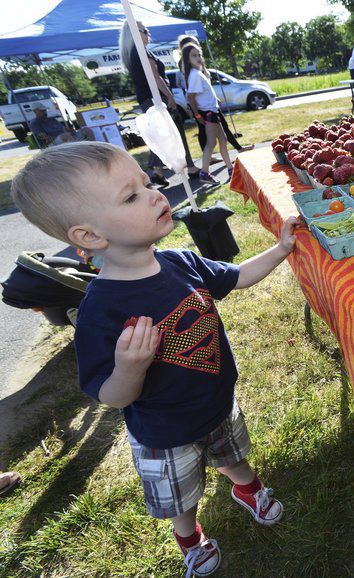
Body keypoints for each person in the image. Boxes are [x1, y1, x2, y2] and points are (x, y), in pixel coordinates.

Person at [10, 141, 302, 577]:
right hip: (164, 432)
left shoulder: (180, 263)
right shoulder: (100, 311)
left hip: (217, 404)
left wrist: (280, 249)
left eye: (147, 183)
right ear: (89, 237)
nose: (155, 195)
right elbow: (110, 394)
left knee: (233, 456)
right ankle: (190, 536)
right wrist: (130, 367)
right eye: (131, 196)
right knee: (181, 498)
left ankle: (248, 489)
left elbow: (236, 278)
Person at [119, 21, 199, 185]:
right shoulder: (140, 52)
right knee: (170, 134)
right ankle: (187, 167)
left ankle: (157, 171)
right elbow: (156, 77)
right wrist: (170, 97)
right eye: (145, 30)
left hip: (150, 99)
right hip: (154, 98)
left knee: (164, 134)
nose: (148, 33)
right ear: (135, 32)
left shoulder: (136, 52)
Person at [176, 36, 253, 154]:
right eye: (195, 45)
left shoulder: (198, 62)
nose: (198, 48)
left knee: (222, 129)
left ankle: (238, 148)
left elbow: (204, 85)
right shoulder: (188, 66)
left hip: (208, 103)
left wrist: (214, 98)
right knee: (206, 132)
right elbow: (191, 92)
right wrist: (196, 113)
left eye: (198, 46)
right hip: (201, 106)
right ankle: (208, 158)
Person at [183, 44, 234, 184]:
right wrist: (197, 115)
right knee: (210, 143)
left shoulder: (199, 73)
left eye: (199, 54)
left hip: (212, 111)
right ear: (187, 59)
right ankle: (204, 173)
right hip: (208, 113)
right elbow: (191, 97)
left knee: (222, 140)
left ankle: (231, 169)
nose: (198, 57)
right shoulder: (194, 75)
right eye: (194, 55)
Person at [28, 104, 94, 147]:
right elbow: (45, 138)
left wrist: (70, 130)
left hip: (67, 138)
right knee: (66, 135)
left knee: (86, 129)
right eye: (42, 111)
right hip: (53, 143)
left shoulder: (52, 120)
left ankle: (93, 148)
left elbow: (64, 129)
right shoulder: (34, 123)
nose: (45, 112)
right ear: (35, 111)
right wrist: (62, 135)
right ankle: (77, 152)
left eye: (45, 110)